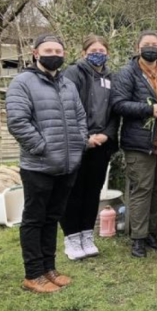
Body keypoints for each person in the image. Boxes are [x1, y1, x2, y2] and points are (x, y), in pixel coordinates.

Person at [6, 34, 88, 293]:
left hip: (66, 165)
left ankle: (49, 268)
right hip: (38, 166)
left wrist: (78, 144)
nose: (54, 54)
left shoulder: (67, 84)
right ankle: (33, 274)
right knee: (34, 219)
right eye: (48, 49)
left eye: (58, 50)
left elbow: (80, 117)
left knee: (52, 217)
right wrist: (41, 148)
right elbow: (18, 122)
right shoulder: (23, 82)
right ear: (35, 53)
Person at [112, 31, 157, 258]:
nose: (151, 47)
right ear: (138, 47)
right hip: (140, 143)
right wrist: (149, 109)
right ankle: (138, 238)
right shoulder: (127, 73)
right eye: (147, 44)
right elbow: (119, 104)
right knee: (141, 189)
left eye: (155, 44)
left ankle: (152, 233)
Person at [60, 35, 119, 260]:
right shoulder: (73, 74)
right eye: (93, 49)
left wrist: (106, 135)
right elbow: (65, 108)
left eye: (102, 49)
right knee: (73, 192)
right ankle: (72, 238)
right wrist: (84, 137)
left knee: (93, 191)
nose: (98, 53)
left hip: (101, 145)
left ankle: (87, 235)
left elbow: (115, 111)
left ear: (107, 53)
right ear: (84, 53)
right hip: (78, 144)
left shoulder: (110, 77)